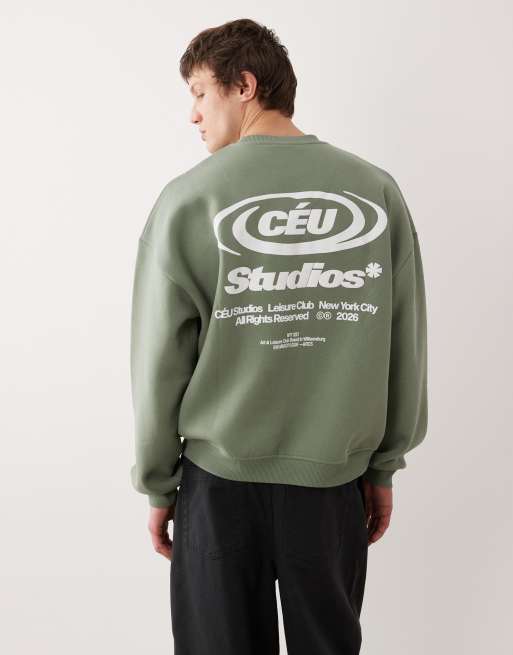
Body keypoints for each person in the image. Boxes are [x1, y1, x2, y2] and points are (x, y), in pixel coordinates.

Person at [129, 17, 428, 655]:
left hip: (218, 487)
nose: (192, 114)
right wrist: (384, 467)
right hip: (333, 484)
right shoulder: (375, 192)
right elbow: (405, 342)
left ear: (244, 86)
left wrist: (158, 482)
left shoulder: (189, 199)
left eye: (199, 93)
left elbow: (159, 361)